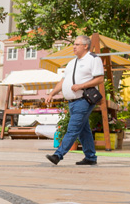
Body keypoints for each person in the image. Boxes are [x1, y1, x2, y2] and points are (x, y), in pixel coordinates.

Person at [44, 35, 105, 166]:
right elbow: (63, 81)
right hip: (72, 102)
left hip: (83, 100)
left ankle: (58, 155)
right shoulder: (72, 62)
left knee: (73, 129)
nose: (74, 47)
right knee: (83, 130)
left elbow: (100, 79)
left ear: (86, 46)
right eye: (74, 44)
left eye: (77, 44)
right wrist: (52, 93)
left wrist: (81, 86)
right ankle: (90, 157)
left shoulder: (93, 59)